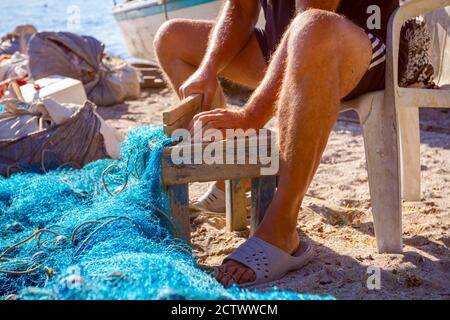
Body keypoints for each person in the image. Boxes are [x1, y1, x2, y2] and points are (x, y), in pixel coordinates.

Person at [154, 0, 399, 287]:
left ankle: (282, 227)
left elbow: (311, 17)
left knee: (310, 30)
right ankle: (232, 178)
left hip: (359, 46)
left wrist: (251, 115)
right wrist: (208, 68)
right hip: (286, 45)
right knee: (171, 38)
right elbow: (242, 9)